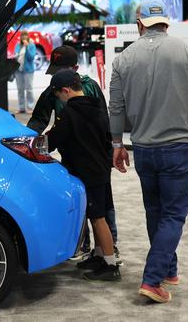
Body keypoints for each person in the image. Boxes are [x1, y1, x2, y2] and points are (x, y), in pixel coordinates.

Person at [109, 0, 188, 302]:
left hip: (142, 149)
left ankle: (168, 269)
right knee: (174, 214)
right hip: (177, 148)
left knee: (156, 212)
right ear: (166, 21)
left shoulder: (124, 59)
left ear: (140, 24)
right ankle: (152, 280)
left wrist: (117, 144)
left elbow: (116, 106)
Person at [28, 45, 120, 263]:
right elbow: (38, 120)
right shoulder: (56, 92)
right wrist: (26, 140)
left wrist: (111, 152)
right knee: (85, 206)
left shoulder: (85, 95)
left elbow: (105, 126)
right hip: (77, 160)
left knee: (101, 209)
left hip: (93, 161)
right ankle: (90, 249)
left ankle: (109, 252)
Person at [46, 69, 120, 282]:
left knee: (97, 218)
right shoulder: (97, 105)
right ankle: (99, 256)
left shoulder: (70, 112)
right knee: (99, 214)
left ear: (66, 91)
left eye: (59, 96)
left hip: (86, 173)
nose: (59, 100)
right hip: (101, 170)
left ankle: (110, 265)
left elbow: (53, 141)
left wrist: (36, 145)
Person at [13, 30, 36, 113]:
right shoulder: (18, 45)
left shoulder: (31, 45)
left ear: (28, 36)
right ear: (20, 37)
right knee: (20, 89)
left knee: (29, 89)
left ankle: (30, 107)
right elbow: (15, 55)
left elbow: (31, 57)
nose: (24, 37)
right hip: (18, 70)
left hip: (28, 70)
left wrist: (27, 48)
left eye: (25, 35)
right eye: (22, 35)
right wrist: (15, 55)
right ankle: (21, 108)